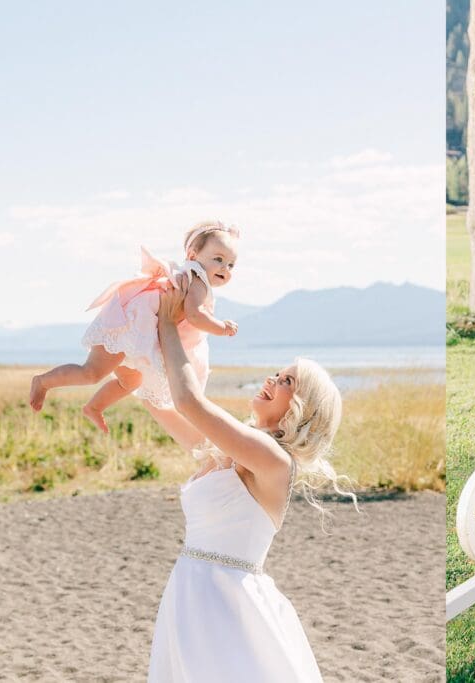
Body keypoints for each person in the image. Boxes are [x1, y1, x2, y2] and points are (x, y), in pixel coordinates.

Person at [147, 272, 345, 682]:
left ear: (303, 407)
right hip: (189, 594)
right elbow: (164, 407)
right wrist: (137, 357)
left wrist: (168, 323)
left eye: (288, 381)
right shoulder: (231, 447)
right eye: (277, 372)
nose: (273, 379)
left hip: (229, 608)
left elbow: (188, 400)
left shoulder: (273, 459)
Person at [28, 221, 240, 433]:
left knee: (131, 381)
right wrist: (222, 327)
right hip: (128, 326)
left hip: (134, 327)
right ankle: (43, 382)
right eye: (218, 259)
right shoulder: (198, 280)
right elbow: (195, 315)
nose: (225, 268)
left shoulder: (191, 276)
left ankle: (94, 407)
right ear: (193, 256)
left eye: (231, 264)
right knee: (91, 372)